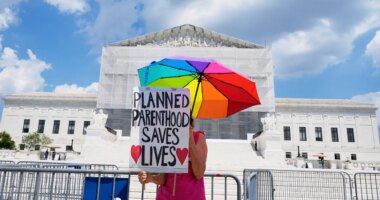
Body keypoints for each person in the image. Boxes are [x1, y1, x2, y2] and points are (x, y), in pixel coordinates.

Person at [138, 118, 208, 200]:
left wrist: (191, 141)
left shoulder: (198, 136)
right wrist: (150, 178)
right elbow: (163, 179)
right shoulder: (167, 138)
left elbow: (199, 173)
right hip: (165, 196)